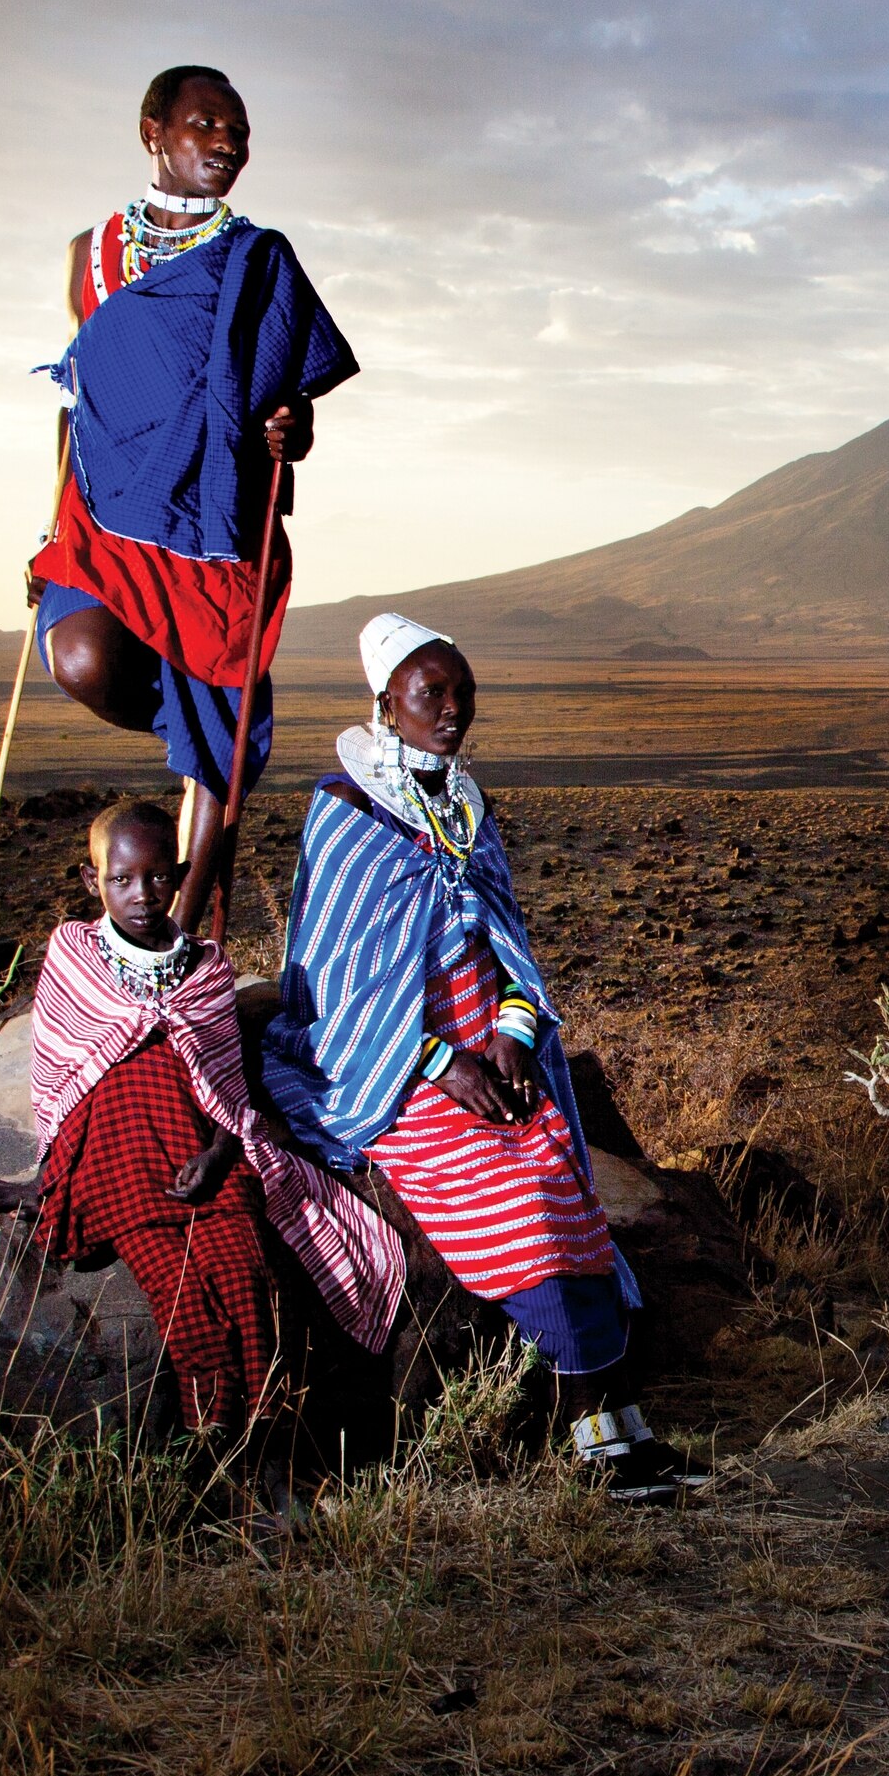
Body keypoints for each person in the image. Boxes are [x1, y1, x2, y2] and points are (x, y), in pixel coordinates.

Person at [264, 615, 685, 1499]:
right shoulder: (346, 809)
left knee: (557, 1165)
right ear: (386, 702)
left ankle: (613, 1424)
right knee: (522, 1192)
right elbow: (336, 991)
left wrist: (514, 1034)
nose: (452, 711)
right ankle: (592, 1432)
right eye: (432, 695)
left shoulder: (467, 804)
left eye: (463, 695)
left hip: (484, 1044)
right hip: (382, 1063)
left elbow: (508, 948)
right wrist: (437, 1064)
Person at [0, 800, 405, 1459]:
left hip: (195, 1156)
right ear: (93, 883)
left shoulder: (206, 968)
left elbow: (227, 1092)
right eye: (121, 880)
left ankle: (268, 1461)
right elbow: (62, 1078)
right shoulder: (75, 953)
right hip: (111, 1160)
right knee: (184, 1301)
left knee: (247, 1282)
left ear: (176, 875)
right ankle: (216, 1444)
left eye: (156, 878)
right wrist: (44, 1177)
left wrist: (221, 1152)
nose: (141, 895)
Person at [30, 64, 358, 920]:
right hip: (105, 512)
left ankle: (177, 942)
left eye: (238, 133)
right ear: (153, 132)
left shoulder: (260, 260)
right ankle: (200, 721)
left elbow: (290, 408)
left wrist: (295, 430)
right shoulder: (89, 258)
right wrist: (43, 526)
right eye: (206, 125)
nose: (226, 143)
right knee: (82, 659)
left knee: (219, 730)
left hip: (214, 518)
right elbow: (78, 401)